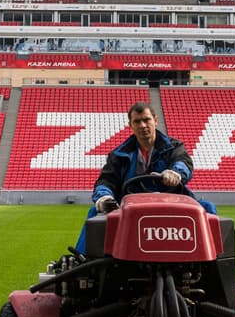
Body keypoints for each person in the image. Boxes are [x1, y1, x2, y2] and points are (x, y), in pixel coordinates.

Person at [74, 101, 216, 253]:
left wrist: (175, 173)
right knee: (95, 213)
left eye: (146, 120)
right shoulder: (118, 155)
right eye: (137, 121)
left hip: (171, 201)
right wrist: (104, 198)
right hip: (132, 206)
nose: (142, 125)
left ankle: (213, 259)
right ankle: (82, 260)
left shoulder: (174, 147)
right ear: (131, 125)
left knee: (207, 208)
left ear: (155, 120)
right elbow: (106, 181)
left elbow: (183, 163)